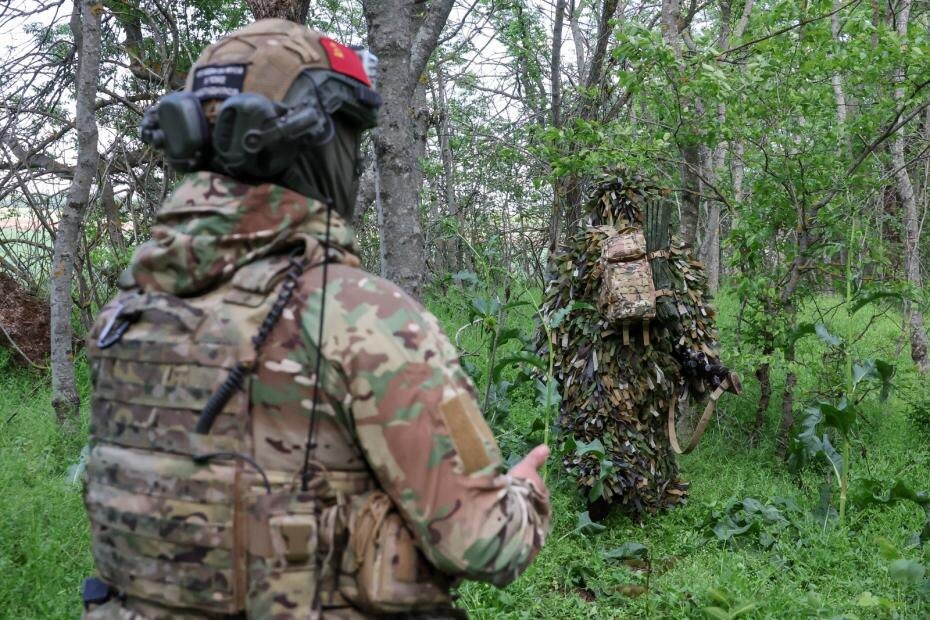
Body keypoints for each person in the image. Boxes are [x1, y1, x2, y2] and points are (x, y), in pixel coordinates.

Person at [81, 19, 550, 619]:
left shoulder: (126, 312)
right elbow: (487, 543)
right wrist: (526, 495)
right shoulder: (360, 316)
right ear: (316, 144)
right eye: (349, 138)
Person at [541, 168, 740, 521]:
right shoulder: (666, 252)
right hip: (655, 366)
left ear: (600, 207)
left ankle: (598, 508)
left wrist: (559, 368)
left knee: (598, 430)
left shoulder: (585, 248)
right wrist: (704, 367)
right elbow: (693, 316)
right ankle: (651, 501)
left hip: (598, 367)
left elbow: (556, 316)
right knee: (650, 433)